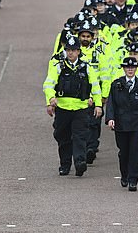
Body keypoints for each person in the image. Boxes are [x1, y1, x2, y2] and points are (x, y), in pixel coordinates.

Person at [44, 34, 102, 176]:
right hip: (63, 108)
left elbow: (95, 87)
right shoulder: (58, 66)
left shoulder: (87, 67)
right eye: (68, 50)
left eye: (73, 50)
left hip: (81, 109)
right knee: (62, 137)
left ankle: (79, 162)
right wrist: (50, 100)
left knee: (80, 136)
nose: (70, 53)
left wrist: (98, 105)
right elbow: (49, 84)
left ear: (78, 51)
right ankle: (65, 164)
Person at [106, 57, 138, 191]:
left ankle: (133, 180)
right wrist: (110, 118)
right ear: (124, 69)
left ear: (136, 69)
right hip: (121, 123)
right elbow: (111, 104)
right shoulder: (116, 84)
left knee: (135, 151)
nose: (130, 69)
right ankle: (125, 175)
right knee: (124, 151)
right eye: (127, 67)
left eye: (132, 67)